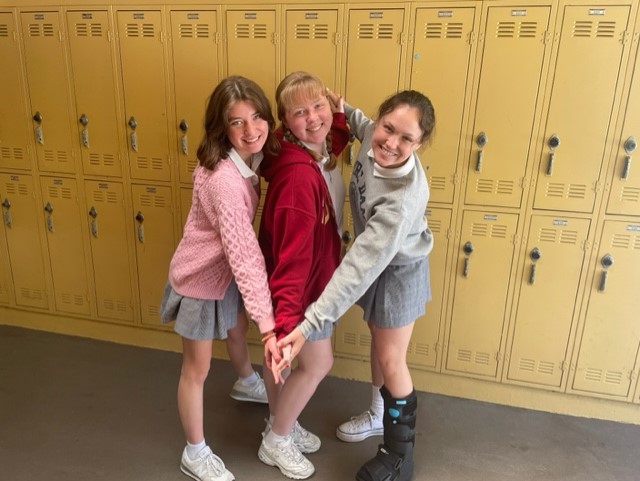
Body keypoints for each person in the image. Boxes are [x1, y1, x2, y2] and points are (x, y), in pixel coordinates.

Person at [277, 89, 436, 481]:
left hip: (400, 271)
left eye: (406, 139)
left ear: (420, 145)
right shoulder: (371, 136)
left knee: (391, 359)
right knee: (379, 343)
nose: (391, 143)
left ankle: (400, 456)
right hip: (378, 266)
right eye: (388, 128)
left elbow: (356, 268)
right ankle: (378, 415)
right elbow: (362, 123)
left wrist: (309, 323)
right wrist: (342, 109)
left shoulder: (402, 200)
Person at [159, 75, 283, 481]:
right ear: (221, 128)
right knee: (196, 368)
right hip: (199, 280)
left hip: (223, 274)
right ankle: (193, 452)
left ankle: (246, 381)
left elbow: (271, 153)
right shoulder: (223, 182)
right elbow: (245, 257)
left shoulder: (243, 158)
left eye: (257, 117)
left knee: (235, 326)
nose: (251, 130)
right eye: (237, 122)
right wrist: (270, 328)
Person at [256, 71, 350, 480]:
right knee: (316, 363)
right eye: (300, 112)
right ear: (284, 122)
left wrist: (340, 120)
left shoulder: (308, 149)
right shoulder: (297, 178)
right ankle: (275, 439)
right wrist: (285, 323)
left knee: (291, 367)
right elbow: (292, 260)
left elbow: (329, 143)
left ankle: (283, 422)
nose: (314, 118)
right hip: (306, 289)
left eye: (319, 107)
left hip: (313, 282)